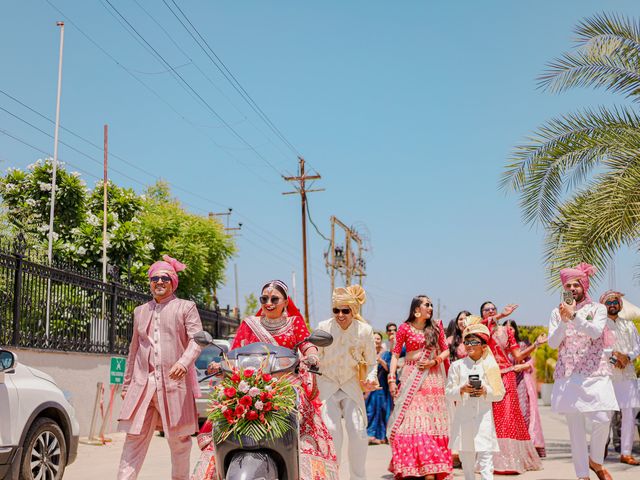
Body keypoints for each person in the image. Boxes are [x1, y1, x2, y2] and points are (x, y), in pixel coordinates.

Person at [191, 280, 339, 480]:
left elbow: (307, 346)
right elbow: (234, 352)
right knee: (223, 408)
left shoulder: (295, 323)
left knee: (306, 416)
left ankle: (306, 467)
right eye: (264, 299)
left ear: (285, 301)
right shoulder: (249, 323)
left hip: (285, 383)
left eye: (274, 299)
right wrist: (220, 364)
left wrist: (312, 357)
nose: (268, 303)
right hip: (249, 383)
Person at [117, 255, 203, 480]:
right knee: (134, 437)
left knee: (179, 441)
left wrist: (184, 363)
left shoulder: (186, 307)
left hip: (175, 386)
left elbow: (198, 339)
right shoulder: (140, 311)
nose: (159, 282)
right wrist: (126, 385)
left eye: (165, 277)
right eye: (154, 278)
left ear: (173, 281)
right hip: (143, 386)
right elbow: (134, 351)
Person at [548, 263, 619, 480]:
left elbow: (596, 331)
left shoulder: (598, 309)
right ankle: (582, 475)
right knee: (575, 427)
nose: (572, 288)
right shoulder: (556, 312)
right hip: (568, 374)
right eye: (567, 285)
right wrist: (563, 321)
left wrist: (575, 317)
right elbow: (552, 343)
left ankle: (595, 461)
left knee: (603, 416)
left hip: (595, 372)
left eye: (575, 284)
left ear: (584, 286)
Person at [316, 285, 379, 480]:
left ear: (354, 310)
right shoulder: (323, 328)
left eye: (345, 310)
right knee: (332, 431)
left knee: (359, 432)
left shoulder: (365, 331)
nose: (340, 315)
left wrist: (370, 380)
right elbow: (314, 358)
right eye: (336, 310)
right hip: (327, 383)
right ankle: (331, 476)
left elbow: (371, 363)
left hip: (351, 384)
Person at [387, 295, 453, 480]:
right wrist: (392, 378)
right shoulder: (404, 328)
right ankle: (412, 467)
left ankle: (430, 468)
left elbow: (446, 349)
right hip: (411, 377)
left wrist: (434, 360)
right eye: (427, 305)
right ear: (416, 310)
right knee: (409, 424)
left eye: (431, 305)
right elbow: (394, 354)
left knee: (429, 423)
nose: (430, 307)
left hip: (432, 380)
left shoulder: (436, 326)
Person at [479, 301, 544, 474]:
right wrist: (500, 316)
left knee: (508, 415)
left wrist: (535, 345)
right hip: (487, 376)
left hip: (506, 375)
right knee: (490, 418)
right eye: (487, 310)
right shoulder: (479, 330)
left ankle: (510, 461)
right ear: (482, 313)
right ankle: (489, 461)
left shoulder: (506, 331)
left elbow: (517, 355)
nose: (491, 311)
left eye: (493, 309)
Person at [446, 320, 505, 480]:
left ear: (484, 346)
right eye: (467, 342)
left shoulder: (491, 367)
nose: (469, 345)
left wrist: (485, 390)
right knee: (467, 461)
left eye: (474, 342)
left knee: (486, 459)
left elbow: (500, 394)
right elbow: (448, 392)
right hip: (463, 418)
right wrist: (462, 389)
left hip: (483, 418)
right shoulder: (457, 366)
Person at [599, 290, 640, 465]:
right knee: (604, 415)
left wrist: (627, 358)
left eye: (615, 302)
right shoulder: (599, 326)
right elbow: (598, 349)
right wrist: (615, 358)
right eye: (609, 303)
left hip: (628, 373)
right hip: (607, 375)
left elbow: (637, 347)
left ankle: (625, 452)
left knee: (629, 413)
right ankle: (600, 451)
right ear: (603, 306)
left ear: (620, 305)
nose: (612, 305)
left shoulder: (629, 325)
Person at [504, 319, 546, 458]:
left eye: (512, 328)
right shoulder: (500, 347)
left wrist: (524, 366)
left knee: (523, 412)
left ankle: (527, 447)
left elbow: (530, 361)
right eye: (506, 328)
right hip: (504, 381)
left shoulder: (521, 345)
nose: (510, 331)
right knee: (507, 415)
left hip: (521, 381)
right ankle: (512, 448)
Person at [366, 331, 393, 444]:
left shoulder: (386, 354)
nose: (376, 341)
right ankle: (370, 435)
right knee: (370, 410)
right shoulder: (367, 352)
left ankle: (382, 436)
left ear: (381, 340)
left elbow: (389, 369)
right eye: (374, 339)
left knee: (382, 410)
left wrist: (380, 361)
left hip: (382, 387)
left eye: (378, 339)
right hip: (370, 387)